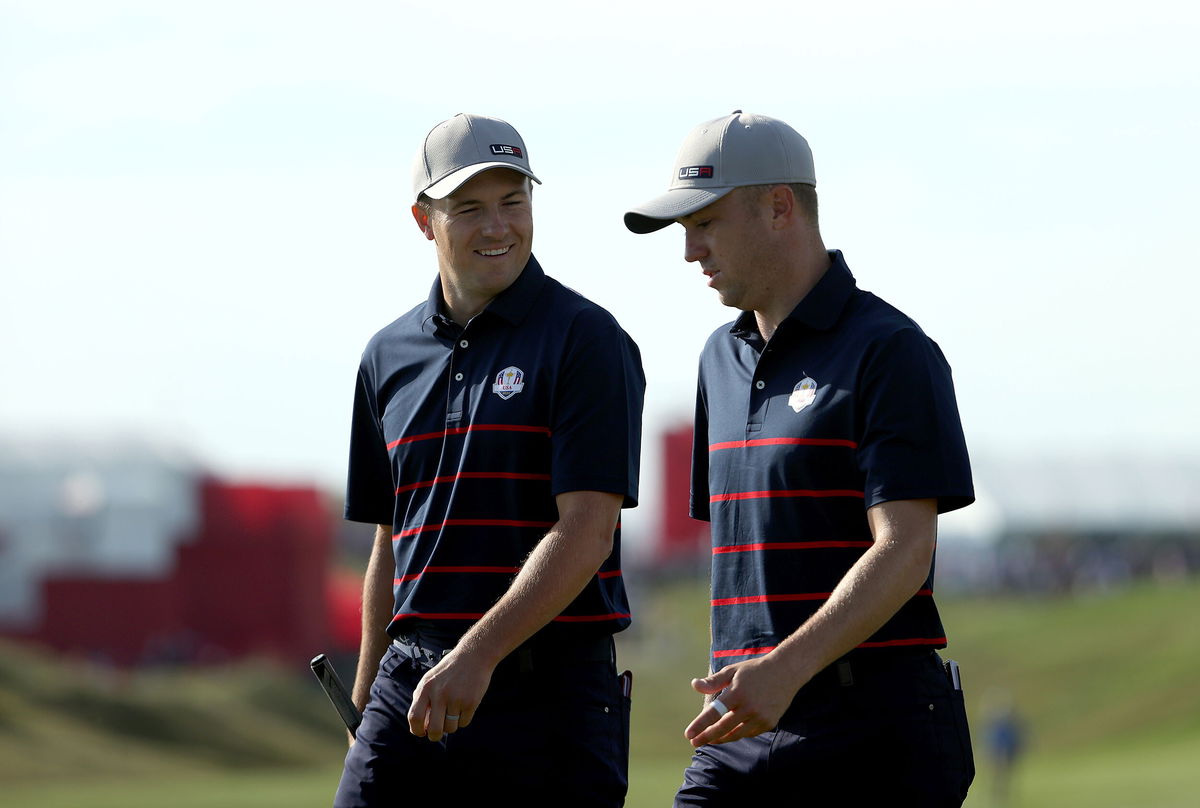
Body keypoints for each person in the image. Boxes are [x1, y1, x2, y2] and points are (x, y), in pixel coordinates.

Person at [624, 111, 976, 806]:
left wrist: (785, 669)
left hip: (873, 734)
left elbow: (905, 551)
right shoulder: (717, 360)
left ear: (779, 207)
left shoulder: (889, 351)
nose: (690, 250)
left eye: (706, 222)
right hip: (742, 732)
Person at [334, 113, 645, 807]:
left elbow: (588, 531)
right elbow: (391, 538)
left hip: (550, 690)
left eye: (514, 201)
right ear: (424, 221)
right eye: (470, 207)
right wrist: (365, 697)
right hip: (410, 683)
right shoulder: (386, 356)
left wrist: (477, 656)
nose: (498, 225)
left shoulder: (586, 340)